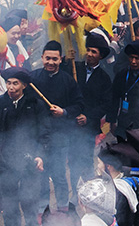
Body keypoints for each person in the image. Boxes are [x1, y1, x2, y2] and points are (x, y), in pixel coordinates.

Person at [0, 67, 49, 225]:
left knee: (29, 201)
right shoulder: (1, 104)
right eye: (8, 83)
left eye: (15, 83)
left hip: (29, 159)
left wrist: (40, 155)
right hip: (7, 160)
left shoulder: (35, 105)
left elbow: (44, 133)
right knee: (9, 203)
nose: (11, 87)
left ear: (24, 85)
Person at [31, 40, 83, 208]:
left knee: (59, 174)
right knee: (40, 174)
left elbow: (79, 105)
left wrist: (64, 112)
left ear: (61, 59)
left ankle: (63, 207)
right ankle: (43, 208)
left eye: (55, 59)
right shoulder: (33, 79)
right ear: (42, 58)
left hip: (60, 135)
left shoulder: (68, 81)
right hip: (38, 135)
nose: (51, 63)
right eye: (47, 58)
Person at [65, 30, 113, 187]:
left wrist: (89, 116)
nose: (90, 54)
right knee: (71, 159)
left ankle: (86, 189)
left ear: (100, 55)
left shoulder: (104, 78)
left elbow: (106, 104)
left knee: (85, 159)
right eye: (88, 50)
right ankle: (74, 189)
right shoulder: (74, 67)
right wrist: (67, 59)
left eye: (94, 52)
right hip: (71, 123)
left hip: (88, 126)